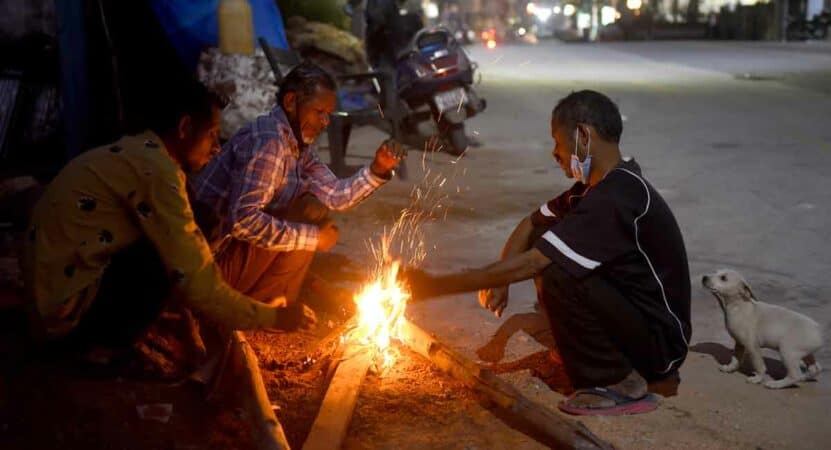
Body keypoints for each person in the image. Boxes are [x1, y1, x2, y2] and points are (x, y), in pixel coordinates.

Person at [402, 90, 691, 416]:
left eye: (557, 142)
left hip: (661, 344)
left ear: (583, 136)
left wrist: (437, 286)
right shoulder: (596, 187)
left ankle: (618, 383)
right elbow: (531, 224)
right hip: (637, 320)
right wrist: (501, 277)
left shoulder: (618, 195)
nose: (555, 153)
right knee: (546, 238)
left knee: (555, 267)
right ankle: (599, 354)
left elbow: (536, 262)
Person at [21, 80, 315, 357]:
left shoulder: (140, 152)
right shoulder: (158, 174)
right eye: (212, 134)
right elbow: (196, 279)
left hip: (50, 307)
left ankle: (117, 330)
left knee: (193, 222)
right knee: (174, 252)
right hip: (65, 323)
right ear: (185, 127)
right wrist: (274, 316)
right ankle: (102, 349)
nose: (216, 147)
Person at [189, 62, 402, 315]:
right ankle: (260, 309)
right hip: (206, 270)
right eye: (319, 112)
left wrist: (378, 168)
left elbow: (336, 195)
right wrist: (313, 238)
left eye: (328, 115)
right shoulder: (270, 142)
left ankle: (271, 303)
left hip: (225, 261)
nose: (324, 122)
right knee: (308, 218)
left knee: (312, 211)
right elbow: (243, 222)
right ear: (291, 102)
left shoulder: (297, 145)